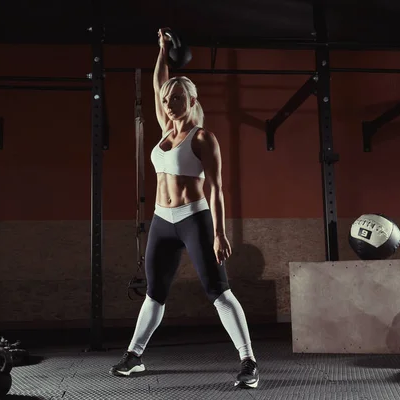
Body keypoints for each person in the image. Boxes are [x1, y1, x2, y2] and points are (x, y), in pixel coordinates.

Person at [109, 28, 259, 389]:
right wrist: (162, 49)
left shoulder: (203, 138)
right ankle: (134, 355)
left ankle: (249, 362)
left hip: (194, 218)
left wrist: (220, 233)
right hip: (162, 220)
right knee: (154, 292)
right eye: (167, 99)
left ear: (192, 101)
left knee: (217, 290)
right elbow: (158, 82)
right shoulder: (164, 130)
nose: (169, 103)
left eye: (177, 98)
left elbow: (216, 187)